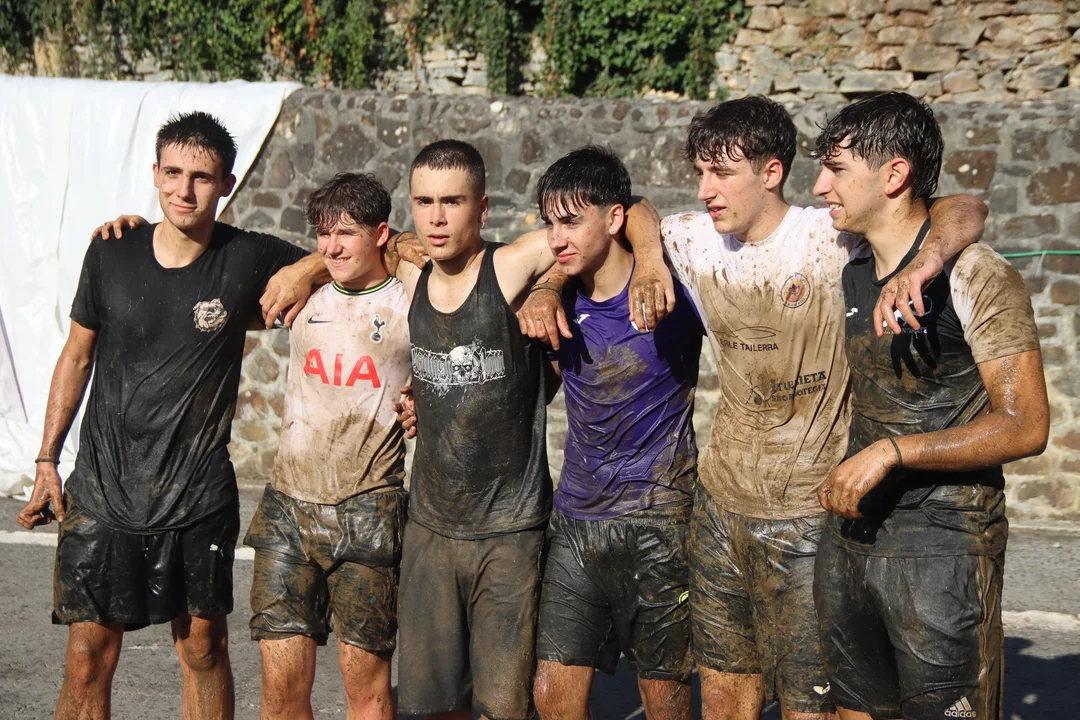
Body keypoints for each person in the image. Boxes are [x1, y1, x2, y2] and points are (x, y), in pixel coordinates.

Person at [521, 96, 987, 720]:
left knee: (808, 702)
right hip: (722, 505)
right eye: (699, 173)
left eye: (721, 172)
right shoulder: (693, 241)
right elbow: (630, 212)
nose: (705, 190)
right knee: (722, 695)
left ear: (771, 172)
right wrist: (627, 266)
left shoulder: (831, 235)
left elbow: (962, 207)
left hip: (809, 509)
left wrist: (927, 261)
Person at [16, 111, 327, 720]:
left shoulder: (246, 256)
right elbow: (77, 356)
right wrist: (47, 459)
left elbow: (356, 257)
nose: (185, 190)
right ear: (155, 173)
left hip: (196, 496)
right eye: (174, 173)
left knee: (203, 650)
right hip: (104, 488)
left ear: (227, 184)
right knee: (86, 658)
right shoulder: (111, 250)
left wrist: (306, 267)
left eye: (202, 177)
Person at [387, 139, 670, 720]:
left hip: (509, 533)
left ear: (482, 208)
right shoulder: (410, 273)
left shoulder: (510, 266)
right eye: (424, 202)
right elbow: (360, 245)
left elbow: (620, 211)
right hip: (430, 526)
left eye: (452, 202)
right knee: (431, 706)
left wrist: (556, 284)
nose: (436, 218)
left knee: (505, 706)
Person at [811, 92, 1048, 720]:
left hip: (946, 544)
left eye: (835, 169)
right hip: (853, 535)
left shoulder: (977, 274)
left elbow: (1026, 426)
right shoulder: (850, 260)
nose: (819, 186)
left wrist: (892, 452)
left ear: (894, 174)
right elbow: (966, 205)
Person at [529, 145, 704, 720]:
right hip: (577, 518)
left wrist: (651, 257)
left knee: (664, 700)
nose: (557, 238)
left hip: (659, 521)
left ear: (613, 219)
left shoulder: (674, 289)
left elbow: (645, 209)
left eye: (570, 221)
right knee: (552, 697)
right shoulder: (559, 299)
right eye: (550, 223)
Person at [242, 172, 411, 720]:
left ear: (380, 234)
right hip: (288, 507)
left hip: (368, 508)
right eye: (323, 234)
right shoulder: (303, 292)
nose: (331, 248)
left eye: (346, 234)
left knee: (366, 692)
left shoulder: (411, 300)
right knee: (281, 691)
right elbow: (203, 255)